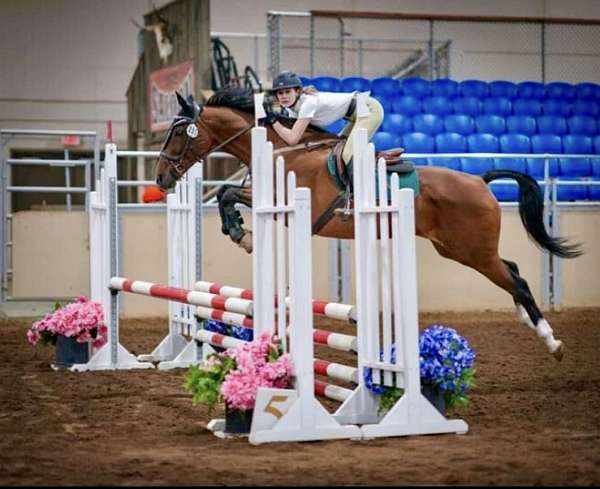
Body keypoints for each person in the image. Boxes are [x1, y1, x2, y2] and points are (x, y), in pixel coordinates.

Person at [261, 71, 384, 168]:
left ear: (297, 91)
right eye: (280, 93)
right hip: (356, 113)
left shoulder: (308, 103)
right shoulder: (291, 110)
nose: (284, 96)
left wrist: (273, 121)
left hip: (369, 109)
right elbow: (294, 139)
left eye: (287, 92)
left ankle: (352, 193)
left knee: (347, 155)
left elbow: (292, 139)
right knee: (337, 146)